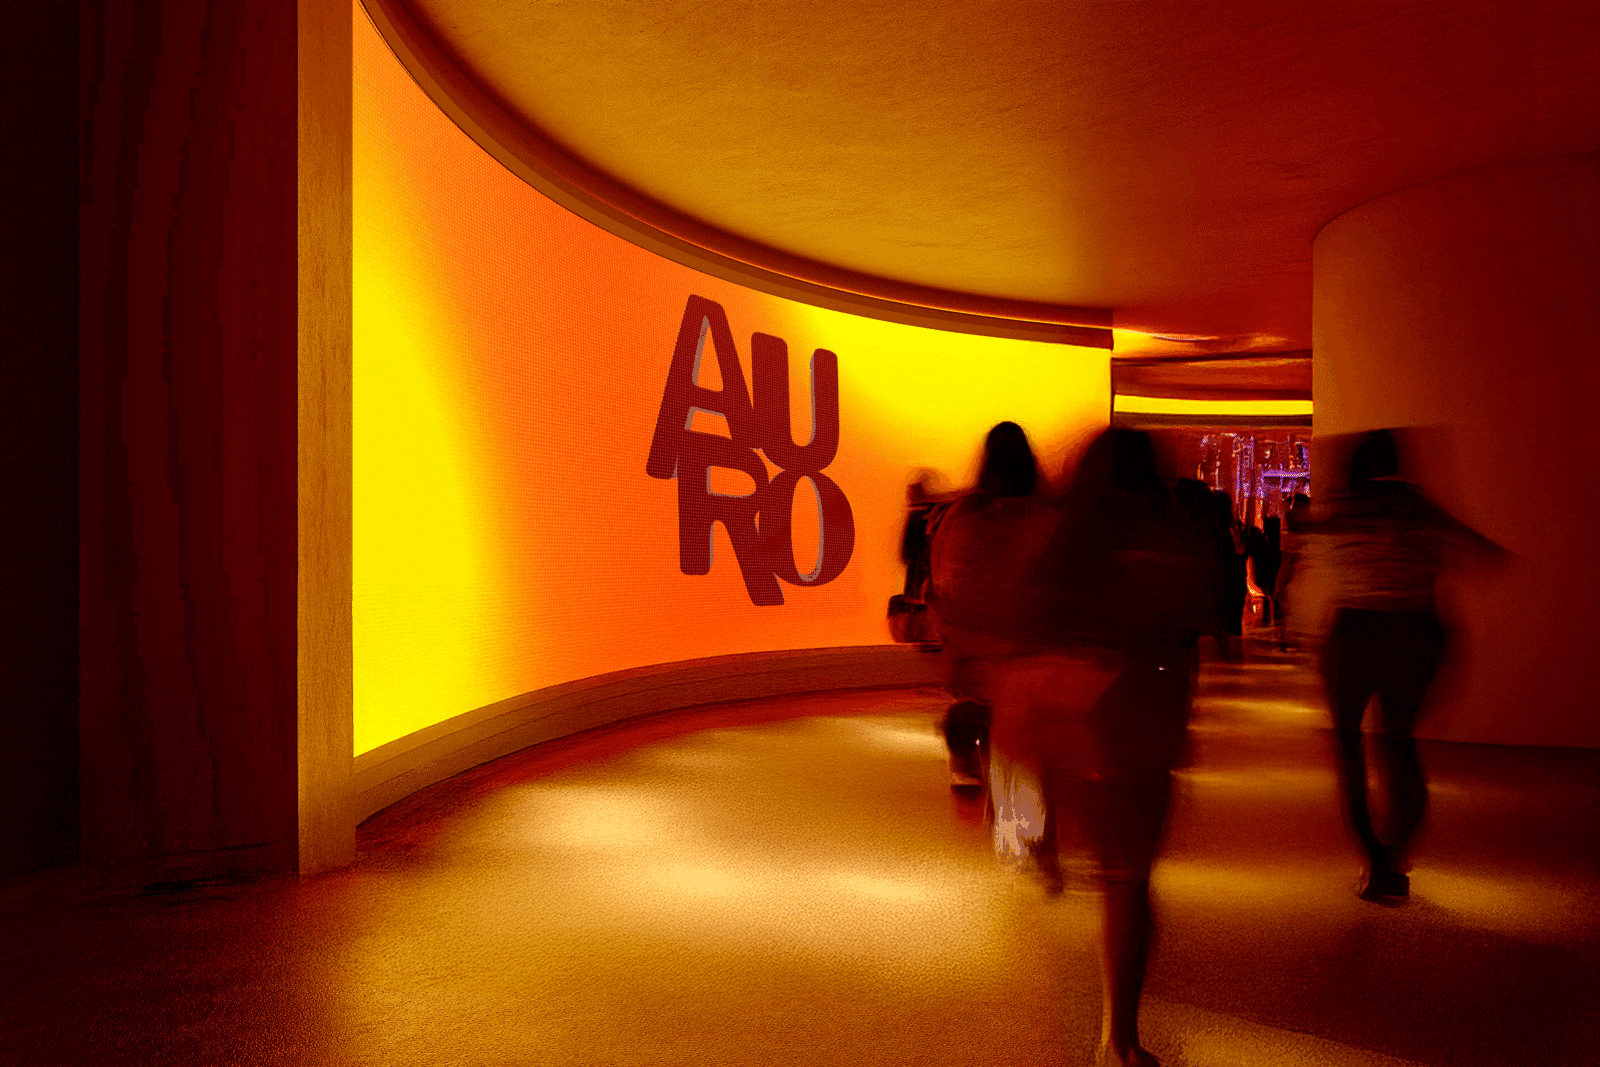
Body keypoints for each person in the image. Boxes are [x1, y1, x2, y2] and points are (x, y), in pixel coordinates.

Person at [930, 425, 1214, 1067]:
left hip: (1060, 712)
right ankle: (1118, 1038)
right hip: (1138, 717)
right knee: (1128, 883)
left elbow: (1021, 616)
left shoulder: (1053, 530)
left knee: (1038, 798)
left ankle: (1034, 837)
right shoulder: (1170, 534)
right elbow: (1191, 626)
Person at [1310, 430, 1508, 903]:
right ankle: (1395, 854)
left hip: (1354, 635)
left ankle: (1375, 859)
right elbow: (1484, 553)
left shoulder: (1344, 508)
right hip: (1416, 631)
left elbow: (1308, 535)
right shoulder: (1419, 508)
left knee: (1348, 749)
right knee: (1400, 742)